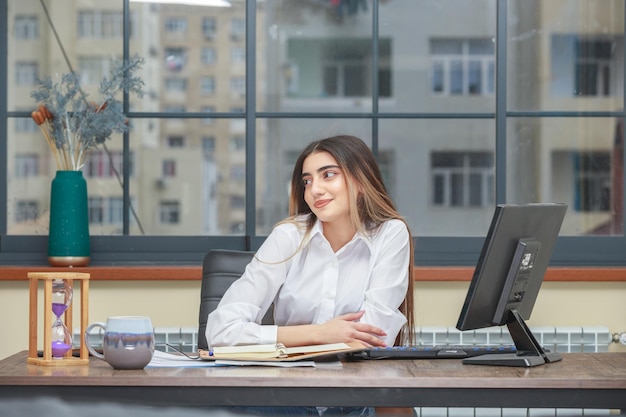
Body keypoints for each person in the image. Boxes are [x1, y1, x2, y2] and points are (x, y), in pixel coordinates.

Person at [206, 135, 415, 416]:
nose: (314, 189)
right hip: (284, 396)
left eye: (328, 175)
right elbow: (220, 332)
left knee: (394, 406)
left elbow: (372, 336)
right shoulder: (289, 235)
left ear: (361, 181)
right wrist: (320, 333)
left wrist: (290, 339)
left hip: (353, 396)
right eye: (307, 181)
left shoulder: (390, 234)